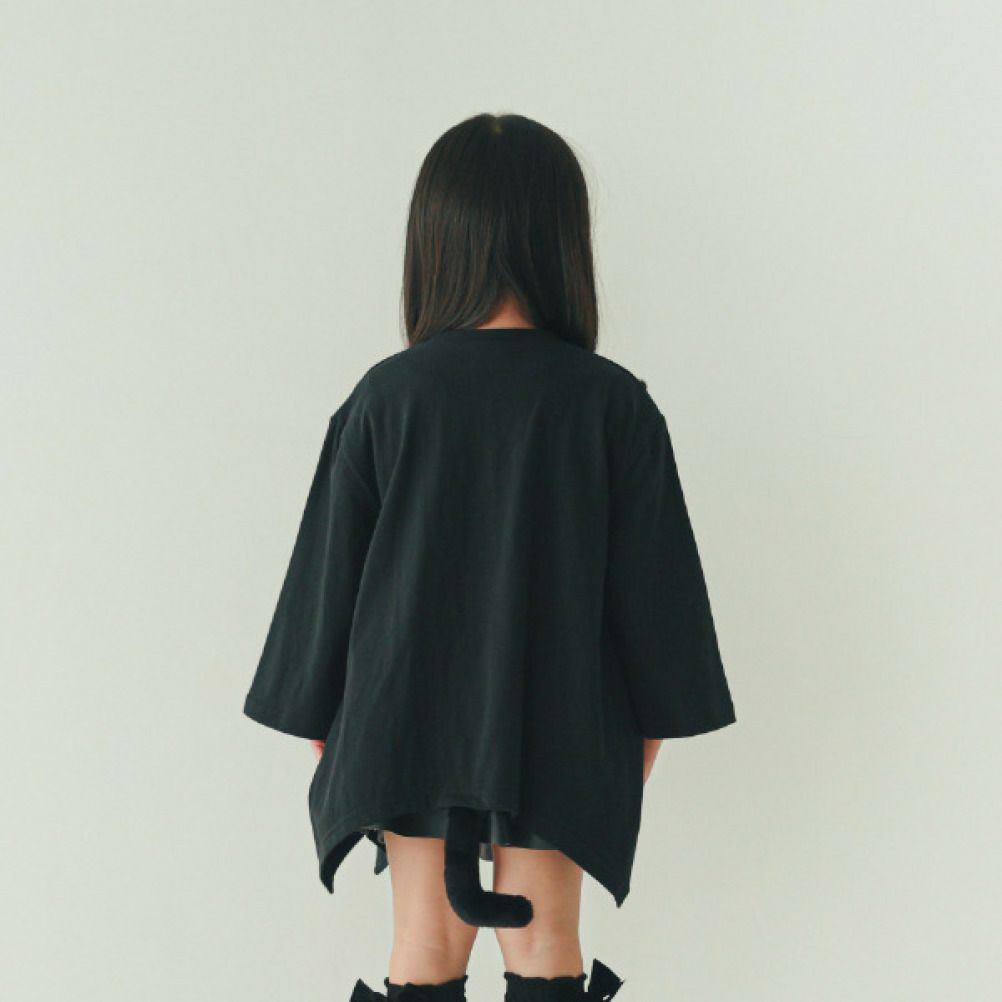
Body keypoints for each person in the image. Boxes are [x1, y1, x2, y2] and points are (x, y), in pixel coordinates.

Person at [242, 112, 737, 1002]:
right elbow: (662, 640)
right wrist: (606, 768)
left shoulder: (384, 399)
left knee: (422, 947)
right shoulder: (612, 407)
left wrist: (361, 751)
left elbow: (319, 626)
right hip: (562, 733)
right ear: (563, 241)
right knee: (546, 944)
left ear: (435, 239)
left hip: (402, 731)